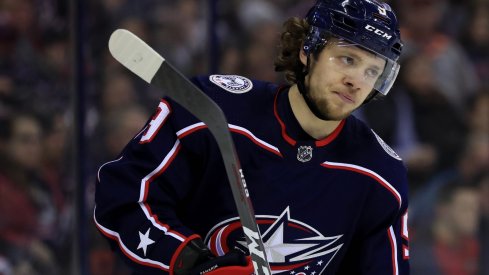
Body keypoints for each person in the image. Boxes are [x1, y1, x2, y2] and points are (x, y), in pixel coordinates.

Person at [94, 0, 410, 274]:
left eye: (372, 71)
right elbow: (122, 195)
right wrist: (189, 263)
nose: (356, 80)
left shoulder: (380, 174)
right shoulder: (215, 109)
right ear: (307, 49)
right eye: (348, 59)